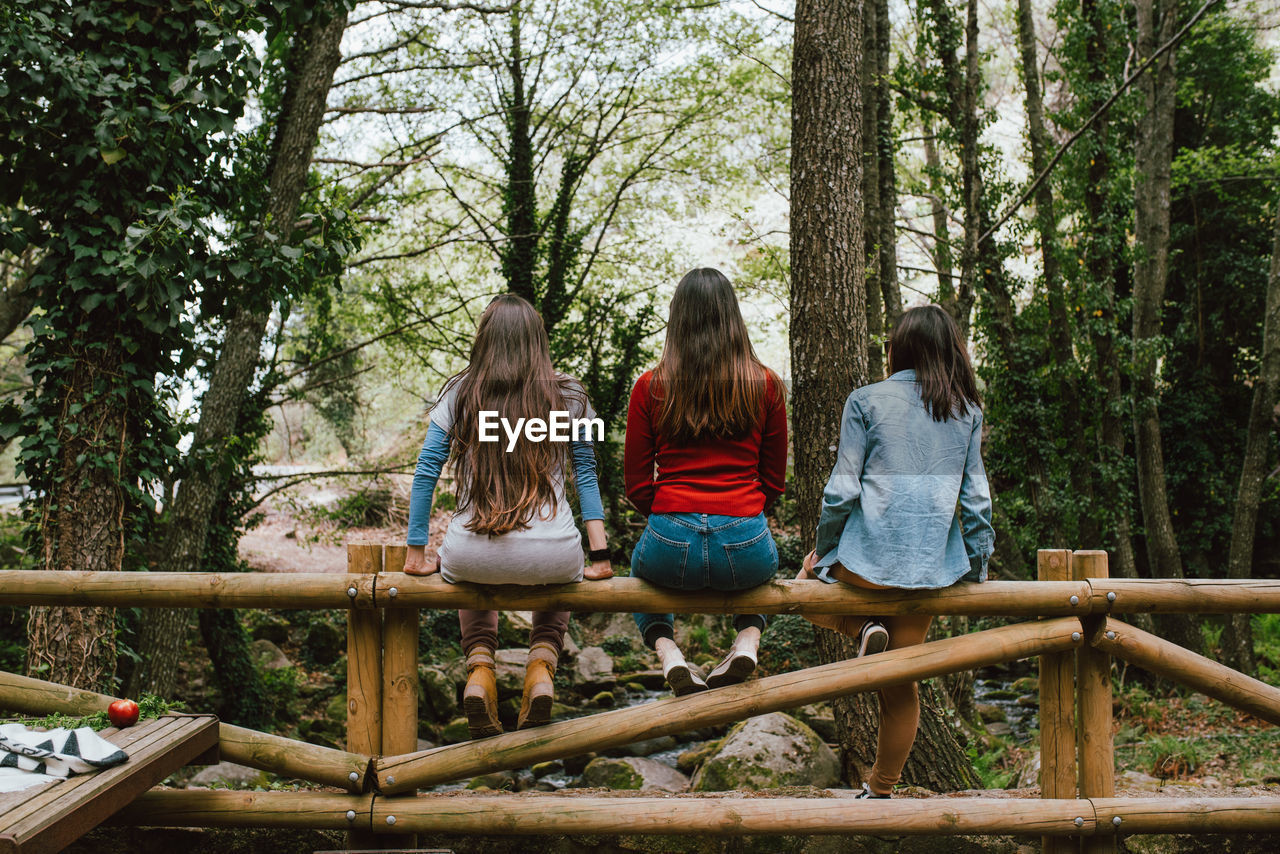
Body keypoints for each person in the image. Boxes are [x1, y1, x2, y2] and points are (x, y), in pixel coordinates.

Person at [799, 303, 994, 799]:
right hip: (927, 571)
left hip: (864, 564)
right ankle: (881, 789)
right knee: (899, 685)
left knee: (801, 595)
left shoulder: (866, 400)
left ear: (898, 349)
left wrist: (823, 554)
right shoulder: (966, 410)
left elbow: (841, 490)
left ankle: (864, 627)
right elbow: (976, 499)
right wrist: (978, 567)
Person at [403, 294, 613, 739]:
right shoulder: (569, 396)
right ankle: (541, 663)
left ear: (484, 341)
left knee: (467, 570)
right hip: (553, 556)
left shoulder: (461, 392)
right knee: (559, 578)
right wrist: (600, 554)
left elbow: (425, 473)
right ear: (539, 341)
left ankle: (480, 666)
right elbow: (586, 475)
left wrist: (416, 553)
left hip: (472, 552)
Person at [625, 268, 787, 696]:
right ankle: (748, 638)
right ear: (732, 318)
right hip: (745, 539)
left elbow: (637, 485)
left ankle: (667, 650)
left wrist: (670, 517)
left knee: (636, 575)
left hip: (669, 538)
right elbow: (773, 479)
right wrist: (740, 516)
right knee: (766, 574)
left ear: (677, 319)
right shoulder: (766, 384)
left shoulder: (649, 386)